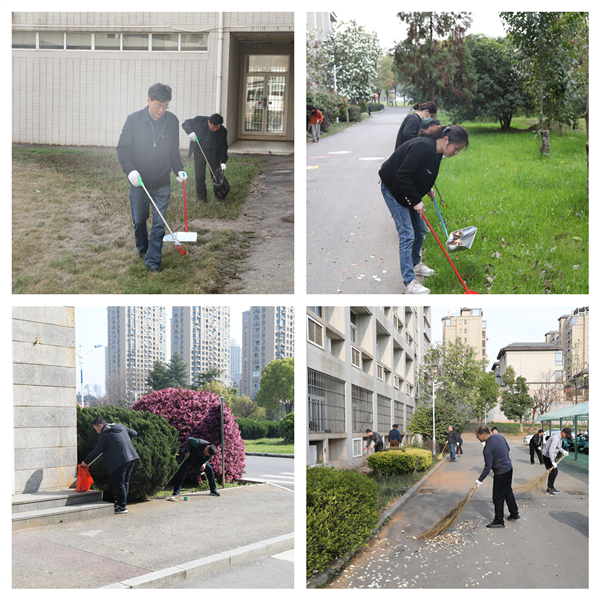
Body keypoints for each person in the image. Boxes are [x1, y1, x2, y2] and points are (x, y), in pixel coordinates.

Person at [379, 124, 469, 294]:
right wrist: (415, 200)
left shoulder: (437, 153)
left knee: (420, 229)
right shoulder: (423, 148)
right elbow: (403, 174)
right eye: (456, 148)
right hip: (393, 188)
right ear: (445, 140)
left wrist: (427, 188)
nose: (456, 153)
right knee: (407, 234)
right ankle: (409, 282)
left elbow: (421, 172)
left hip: (406, 188)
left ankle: (416, 264)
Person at [117, 83, 187, 272]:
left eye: (165, 106)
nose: (161, 110)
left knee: (158, 224)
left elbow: (173, 150)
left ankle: (153, 261)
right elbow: (122, 149)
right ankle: (144, 249)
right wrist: (130, 171)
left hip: (162, 182)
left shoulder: (172, 121)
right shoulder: (133, 120)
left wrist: (178, 170)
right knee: (139, 220)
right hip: (139, 181)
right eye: (158, 105)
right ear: (148, 100)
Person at [81, 417, 139, 515]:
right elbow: (134, 433)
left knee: (120, 483)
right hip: (131, 457)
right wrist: (123, 440)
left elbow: (97, 450)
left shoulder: (105, 434)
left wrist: (85, 462)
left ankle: (122, 507)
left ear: (100, 426)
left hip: (120, 460)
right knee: (125, 482)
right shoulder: (120, 426)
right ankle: (122, 503)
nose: (97, 432)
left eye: (96, 429)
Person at [474, 425, 519, 528]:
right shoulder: (499, 436)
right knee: (508, 491)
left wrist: (480, 480)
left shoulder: (487, 448)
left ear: (484, 434)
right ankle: (514, 513)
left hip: (501, 473)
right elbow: (508, 448)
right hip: (509, 469)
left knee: (498, 498)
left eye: (478, 436)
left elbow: (488, 467)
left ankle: (499, 521)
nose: (477, 438)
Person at [182, 113, 228, 202]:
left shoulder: (222, 131)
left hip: (214, 154)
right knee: (199, 176)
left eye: (217, 127)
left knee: (216, 176)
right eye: (213, 127)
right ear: (209, 122)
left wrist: (223, 161)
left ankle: (220, 197)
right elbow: (185, 123)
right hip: (199, 153)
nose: (215, 129)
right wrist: (190, 132)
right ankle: (202, 198)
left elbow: (223, 147)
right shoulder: (199, 120)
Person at [542, 428, 572, 495]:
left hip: (551, 456)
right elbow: (551, 450)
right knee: (553, 473)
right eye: (566, 435)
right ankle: (549, 490)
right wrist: (552, 461)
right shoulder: (556, 437)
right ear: (563, 432)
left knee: (555, 472)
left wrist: (563, 451)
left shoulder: (559, 437)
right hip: (547, 456)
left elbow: (558, 447)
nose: (566, 437)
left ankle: (551, 487)